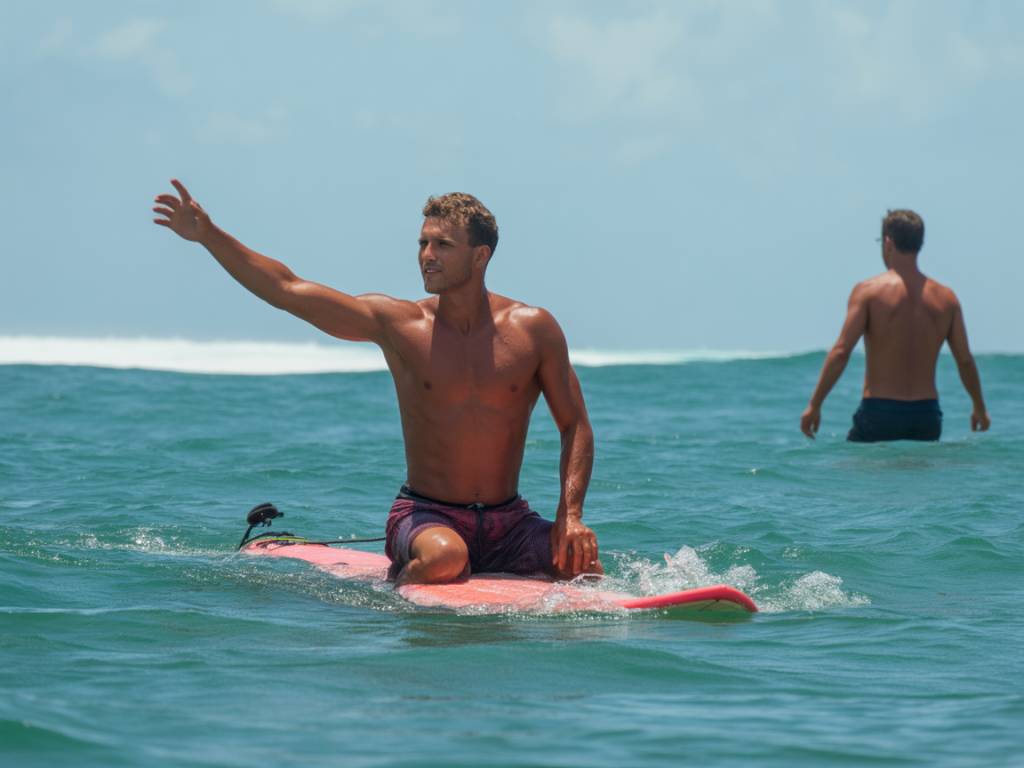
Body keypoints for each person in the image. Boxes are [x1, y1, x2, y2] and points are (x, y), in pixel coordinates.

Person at [153, 180, 601, 584]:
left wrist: (571, 516)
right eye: (423, 242)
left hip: (510, 521)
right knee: (447, 558)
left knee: (584, 565)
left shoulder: (533, 330)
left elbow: (575, 425)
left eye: (443, 244)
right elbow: (288, 290)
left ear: (480, 256)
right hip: (427, 514)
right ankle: (397, 593)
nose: (427, 255)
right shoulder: (400, 325)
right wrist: (209, 235)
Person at [800, 209, 990, 442]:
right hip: (926, 415)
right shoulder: (946, 298)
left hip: (879, 411)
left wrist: (814, 405)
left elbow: (841, 352)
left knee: (857, 475)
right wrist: (979, 407)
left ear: (888, 242)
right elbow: (965, 360)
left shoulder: (868, 292)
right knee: (917, 476)